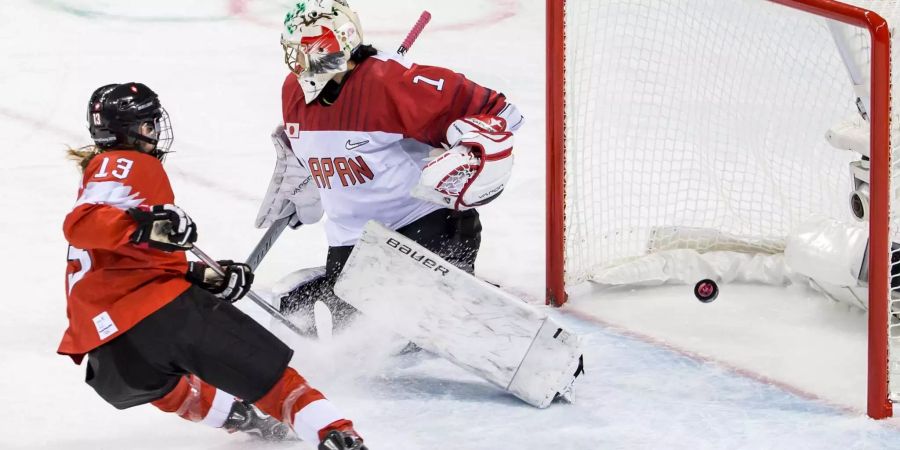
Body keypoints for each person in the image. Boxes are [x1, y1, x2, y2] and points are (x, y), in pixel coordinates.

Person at [61, 82, 367, 450]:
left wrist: (201, 276)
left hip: (109, 353)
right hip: (155, 313)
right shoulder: (124, 162)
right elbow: (81, 224)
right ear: (128, 130)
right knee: (273, 380)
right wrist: (143, 224)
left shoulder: (103, 174)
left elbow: (124, 261)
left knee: (174, 385)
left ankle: (240, 417)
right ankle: (336, 432)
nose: (154, 134)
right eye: (147, 125)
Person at [256, 0, 523, 330]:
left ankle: (469, 309)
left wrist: (467, 150)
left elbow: (501, 113)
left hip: (425, 229)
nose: (296, 62)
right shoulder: (293, 92)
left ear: (334, 46)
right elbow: (314, 150)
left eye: (305, 50)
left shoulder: (389, 82)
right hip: (353, 244)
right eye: (293, 51)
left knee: (397, 330)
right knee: (355, 336)